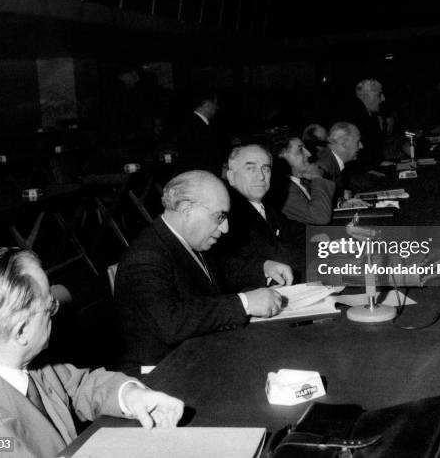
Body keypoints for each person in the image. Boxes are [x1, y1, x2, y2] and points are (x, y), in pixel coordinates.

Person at [0, 247, 183, 458]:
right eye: (50, 307)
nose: (56, 312)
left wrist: (130, 395)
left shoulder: (4, 351)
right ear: (22, 330)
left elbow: (77, 387)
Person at [115, 170, 289, 371]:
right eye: (219, 217)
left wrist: (264, 268)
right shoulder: (145, 257)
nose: (225, 228)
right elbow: (171, 322)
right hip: (161, 373)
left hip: (196, 354)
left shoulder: (186, 240)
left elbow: (219, 273)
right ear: (187, 210)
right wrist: (245, 304)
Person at [215, 144, 303, 283]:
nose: (261, 176)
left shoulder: (263, 206)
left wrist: (336, 238)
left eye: (266, 169)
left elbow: (295, 231)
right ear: (231, 177)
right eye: (251, 168)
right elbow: (222, 266)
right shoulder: (226, 213)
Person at [269, 133, 336, 250]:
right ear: (282, 156)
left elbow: (317, 203)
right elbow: (320, 217)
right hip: (307, 249)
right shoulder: (284, 189)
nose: (309, 154)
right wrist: (317, 177)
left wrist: (341, 204)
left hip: (319, 241)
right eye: (300, 150)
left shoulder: (299, 181)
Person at [175, 89, 225, 175]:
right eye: (215, 103)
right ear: (207, 104)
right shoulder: (195, 126)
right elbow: (201, 158)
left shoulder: (193, 123)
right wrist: (220, 170)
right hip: (199, 176)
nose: (217, 107)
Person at [316, 122, 363, 198]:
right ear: (344, 144)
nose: (361, 146)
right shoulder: (323, 167)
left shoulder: (330, 160)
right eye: (357, 142)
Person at [351, 79, 386, 168]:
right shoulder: (355, 119)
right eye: (379, 95)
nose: (383, 98)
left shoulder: (371, 116)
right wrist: (378, 164)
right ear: (367, 96)